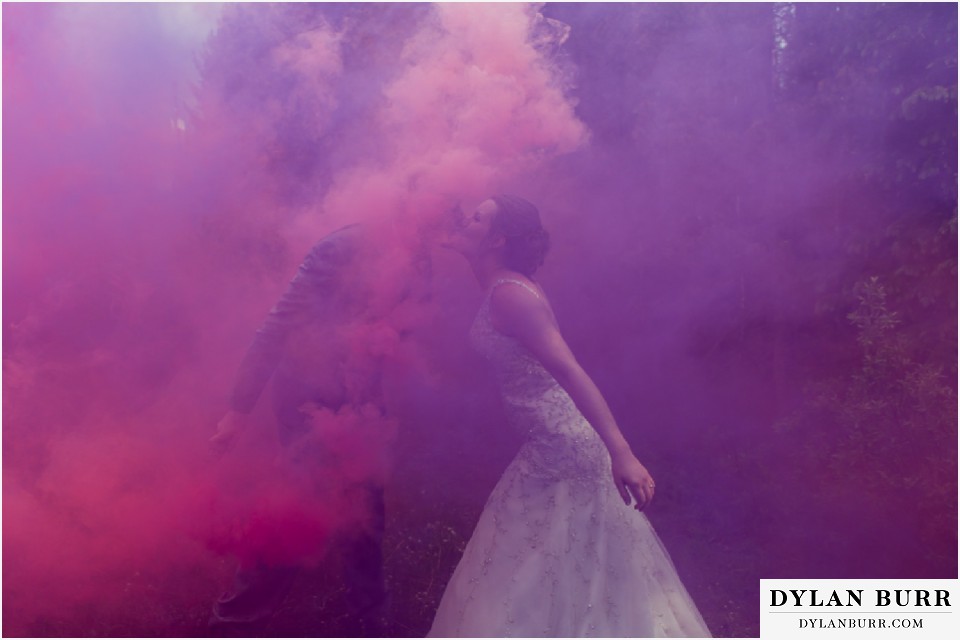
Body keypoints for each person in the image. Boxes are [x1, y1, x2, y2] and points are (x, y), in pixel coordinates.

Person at [429, 195, 711, 637]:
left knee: (541, 562)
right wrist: (451, 233)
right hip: (547, 444)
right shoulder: (499, 284)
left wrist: (623, 452)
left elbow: (570, 371)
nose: (466, 219)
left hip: (564, 446)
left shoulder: (510, 296)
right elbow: (470, 254)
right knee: (553, 561)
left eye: (477, 218)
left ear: (498, 239)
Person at [208, 219, 431, 636]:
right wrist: (238, 411)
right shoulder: (339, 248)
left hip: (361, 397)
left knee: (365, 508)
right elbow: (278, 326)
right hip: (308, 397)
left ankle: (371, 620)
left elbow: (397, 328)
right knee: (299, 508)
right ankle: (232, 623)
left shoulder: (419, 254)